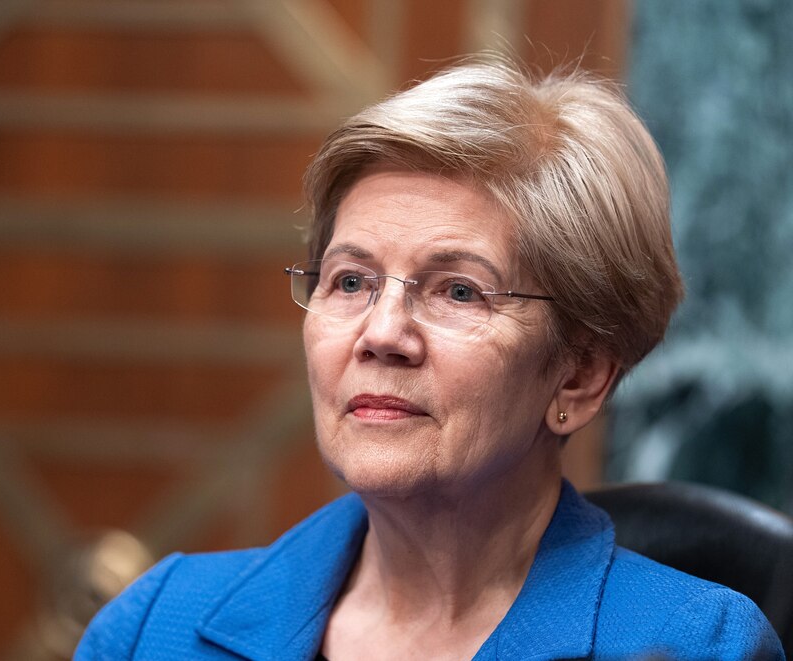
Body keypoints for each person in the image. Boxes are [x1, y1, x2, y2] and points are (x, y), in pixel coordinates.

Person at [75, 56, 785, 660]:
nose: (381, 333)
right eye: (350, 280)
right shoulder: (150, 629)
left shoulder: (698, 643)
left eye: (457, 290)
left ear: (580, 372)